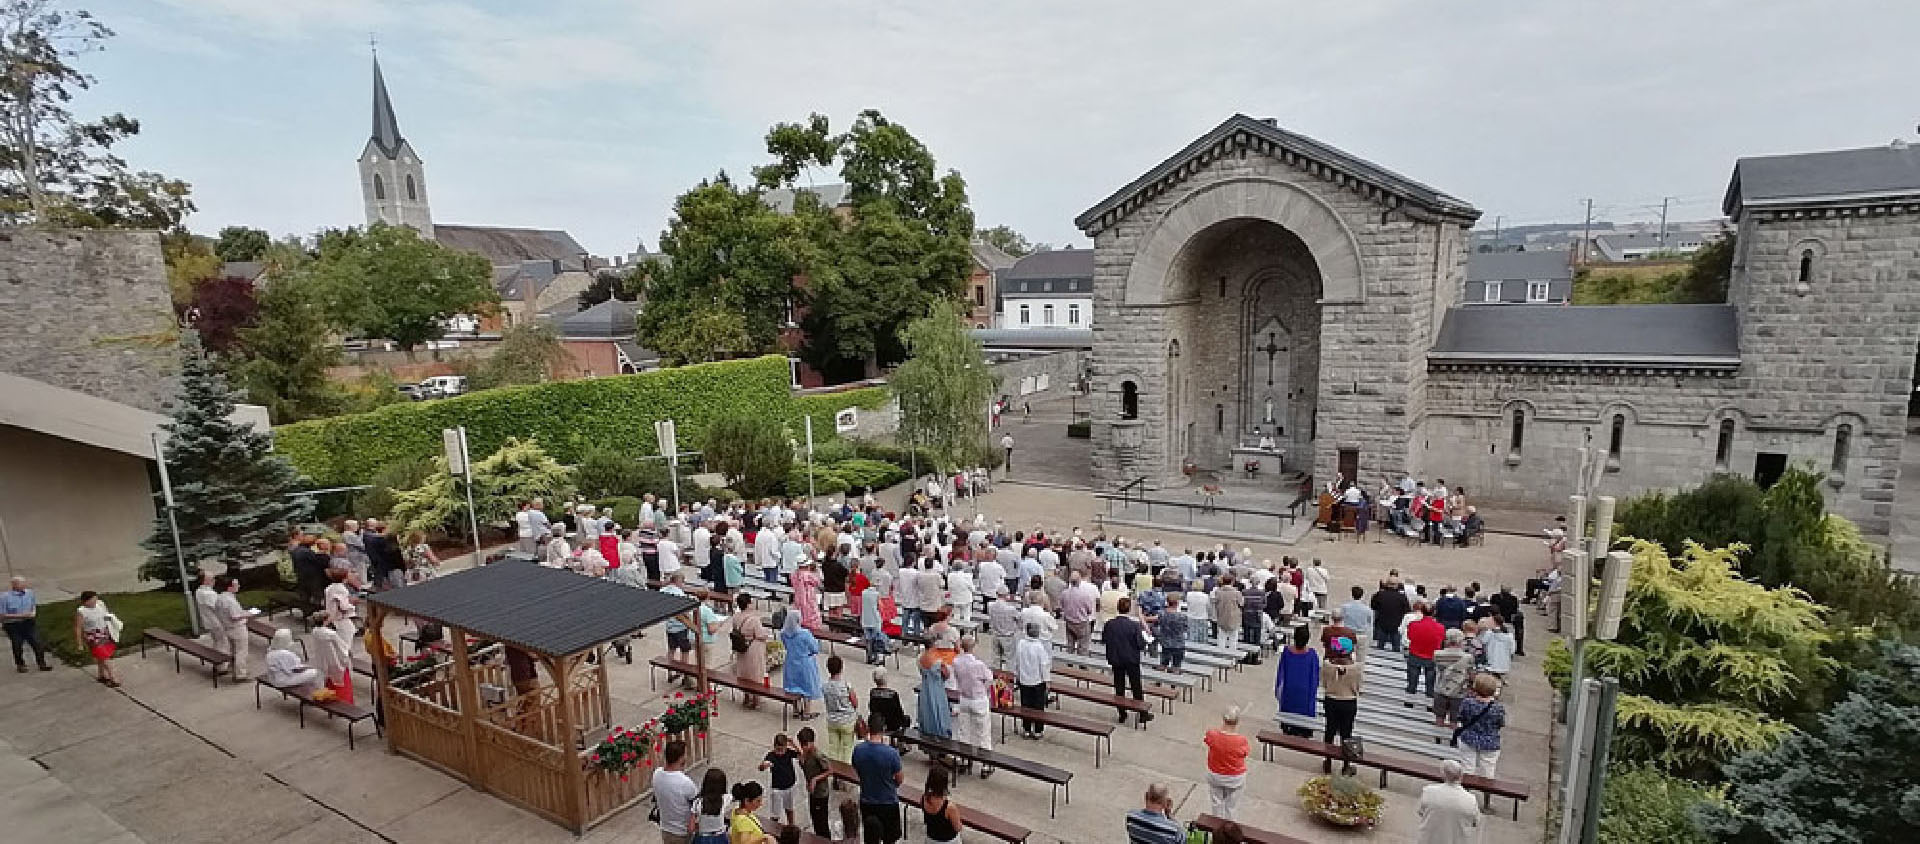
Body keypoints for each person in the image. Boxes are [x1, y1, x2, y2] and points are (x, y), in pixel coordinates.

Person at [852, 719, 905, 844]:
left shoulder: (858, 750)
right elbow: (900, 778)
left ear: (869, 729)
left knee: (871, 838)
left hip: (867, 800)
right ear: (884, 729)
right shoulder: (891, 754)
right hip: (887, 802)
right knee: (890, 839)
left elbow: (856, 768)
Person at [951, 634, 995, 777]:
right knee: (983, 733)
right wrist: (984, 690)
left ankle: (963, 759)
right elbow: (989, 679)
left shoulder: (956, 661)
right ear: (973, 647)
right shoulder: (978, 665)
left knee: (964, 731)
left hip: (964, 698)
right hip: (978, 699)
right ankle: (985, 765)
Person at [1104, 597, 1153, 725]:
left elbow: (1105, 639)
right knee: (1136, 686)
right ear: (1129, 609)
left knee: (1119, 687)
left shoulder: (1109, 624)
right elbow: (1140, 644)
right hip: (1131, 659)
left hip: (1116, 658)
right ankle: (1142, 713)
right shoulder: (1134, 625)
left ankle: (1122, 713)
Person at [1321, 636, 1361, 774]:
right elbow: (1359, 687)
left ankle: (1328, 761)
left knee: (1329, 730)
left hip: (1331, 699)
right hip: (1348, 701)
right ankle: (1346, 765)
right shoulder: (1356, 668)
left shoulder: (1327, 665)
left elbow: (1324, 684)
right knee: (1346, 733)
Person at [1417, 759, 1483, 844]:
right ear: (1461, 776)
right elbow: (1475, 821)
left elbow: (1421, 812)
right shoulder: (1471, 800)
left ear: (1443, 775)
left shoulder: (1429, 791)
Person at [1454, 673, 1506, 777]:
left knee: (1467, 767)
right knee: (1488, 770)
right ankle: (1487, 791)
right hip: (1490, 741)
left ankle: (1467, 788)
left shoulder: (1467, 703)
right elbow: (1500, 723)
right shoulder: (1498, 708)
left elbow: (1461, 717)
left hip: (1469, 738)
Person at [1203, 707, 1250, 820]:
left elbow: (1207, 740)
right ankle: (1229, 828)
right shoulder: (1241, 740)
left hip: (1215, 774)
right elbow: (1244, 753)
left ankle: (1216, 827)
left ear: (1223, 719)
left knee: (1216, 803)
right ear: (1237, 721)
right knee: (1231, 807)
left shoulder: (1212, 735)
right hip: (1235, 778)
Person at [1274, 625, 1320, 737]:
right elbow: (1315, 676)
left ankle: (1288, 726)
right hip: (1305, 693)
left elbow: (1281, 673)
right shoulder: (1312, 655)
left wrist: (1278, 691)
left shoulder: (1287, 652)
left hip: (1290, 691)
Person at [781, 607, 824, 719]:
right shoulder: (804, 634)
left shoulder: (784, 633)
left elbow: (786, 646)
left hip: (791, 661)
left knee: (793, 685)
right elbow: (815, 648)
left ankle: (795, 709)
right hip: (805, 662)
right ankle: (806, 711)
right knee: (807, 686)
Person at [2, 576, 52, 672]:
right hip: (13, 625)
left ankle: (42, 663)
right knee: (17, 644)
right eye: (21, 583)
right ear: (14, 585)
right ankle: (20, 664)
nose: (24, 585)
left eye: (24, 583)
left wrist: (33, 612)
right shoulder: (5, 597)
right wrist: (20, 615)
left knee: (37, 643)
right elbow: (2, 615)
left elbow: (33, 605)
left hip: (28, 622)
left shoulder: (29, 593)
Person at [654, 739, 699, 844]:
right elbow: (697, 804)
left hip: (666, 829)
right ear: (681, 758)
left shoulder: (657, 774)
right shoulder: (685, 783)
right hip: (682, 832)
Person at [72, 591, 120, 687]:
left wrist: (113, 625)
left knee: (101, 656)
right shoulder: (81, 611)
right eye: (93, 600)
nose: (95, 601)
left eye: (96, 599)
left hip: (104, 633)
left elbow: (106, 616)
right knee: (104, 656)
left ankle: (101, 675)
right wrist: (79, 643)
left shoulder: (100, 604)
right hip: (92, 636)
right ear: (86, 601)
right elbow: (78, 627)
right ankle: (114, 678)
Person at [1013, 622, 1051, 739]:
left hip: (1024, 679)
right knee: (1038, 706)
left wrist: (1017, 676)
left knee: (1026, 705)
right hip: (1037, 680)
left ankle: (1026, 728)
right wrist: (1047, 680)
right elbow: (1044, 665)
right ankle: (1038, 730)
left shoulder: (1021, 644)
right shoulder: (1039, 647)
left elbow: (1017, 662)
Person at [309, 610, 355, 703]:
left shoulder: (314, 632)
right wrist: (347, 653)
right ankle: (345, 701)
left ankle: (329, 696)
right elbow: (342, 647)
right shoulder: (331, 634)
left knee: (328, 679)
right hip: (335, 660)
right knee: (341, 679)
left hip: (322, 659)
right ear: (325, 620)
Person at [733, 593, 769, 709]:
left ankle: (746, 697)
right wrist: (766, 633)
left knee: (744, 673)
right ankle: (756, 700)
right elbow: (760, 634)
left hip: (741, 646)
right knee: (755, 673)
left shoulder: (736, 617)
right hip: (753, 648)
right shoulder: (754, 619)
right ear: (748, 604)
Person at [213, 575, 253, 680]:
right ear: (229, 587)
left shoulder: (219, 598)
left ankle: (232, 667)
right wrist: (248, 614)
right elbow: (235, 616)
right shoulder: (230, 601)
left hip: (227, 628)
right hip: (237, 628)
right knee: (241, 651)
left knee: (232, 649)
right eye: (236, 585)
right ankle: (240, 674)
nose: (239, 586)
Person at [758, 733, 801, 830]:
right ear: (774, 747)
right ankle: (773, 829)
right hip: (777, 789)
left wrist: (793, 743)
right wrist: (764, 765)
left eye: (782, 749)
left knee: (789, 809)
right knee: (775, 813)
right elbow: (761, 767)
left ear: (786, 747)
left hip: (790, 786)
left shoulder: (789, 752)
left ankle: (792, 827)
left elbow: (801, 754)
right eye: (778, 750)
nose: (780, 752)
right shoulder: (771, 756)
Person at [796, 728, 833, 838]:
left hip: (821, 793)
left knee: (822, 822)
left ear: (812, 742)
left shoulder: (818, 755)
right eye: (802, 744)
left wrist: (815, 779)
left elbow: (830, 770)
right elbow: (806, 770)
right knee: (815, 819)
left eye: (806, 744)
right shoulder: (805, 754)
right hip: (813, 792)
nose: (803, 747)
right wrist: (801, 763)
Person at [821, 654, 859, 764]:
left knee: (833, 748)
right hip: (847, 720)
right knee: (847, 748)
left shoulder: (825, 686)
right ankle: (844, 772)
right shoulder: (846, 685)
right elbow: (855, 702)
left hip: (832, 720)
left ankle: (834, 770)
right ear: (841, 668)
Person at [915, 638, 953, 740]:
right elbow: (946, 675)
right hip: (937, 689)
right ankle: (941, 735)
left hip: (925, 688)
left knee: (927, 712)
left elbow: (921, 672)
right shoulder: (938, 661)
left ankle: (928, 735)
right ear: (933, 646)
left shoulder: (920, 658)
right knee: (939, 712)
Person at [1406, 604, 1446, 695]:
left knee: (1412, 681)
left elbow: (1410, 637)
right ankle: (1429, 704)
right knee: (1430, 684)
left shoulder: (1413, 625)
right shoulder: (1440, 627)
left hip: (1415, 654)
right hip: (1431, 656)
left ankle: (1409, 702)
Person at [866, 669, 911, 743]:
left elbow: (871, 708)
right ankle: (901, 743)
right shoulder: (893, 694)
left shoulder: (873, 692)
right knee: (907, 719)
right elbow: (899, 711)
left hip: (878, 722)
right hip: (892, 724)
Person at [921, 767, 963, 844]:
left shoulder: (924, 798)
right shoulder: (949, 807)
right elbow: (958, 828)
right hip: (948, 841)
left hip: (931, 838)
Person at [692, 768, 731, 844]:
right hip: (720, 837)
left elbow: (691, 827)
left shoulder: (698, 802)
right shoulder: (725, 799)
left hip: (702, 838)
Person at [1371, 581, 1410, 652]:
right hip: (1396, 624)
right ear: (1396, 586)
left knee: (1380, 647)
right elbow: (1407, 610)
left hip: (1382, 623)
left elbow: (1373, 606)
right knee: (1396, 648)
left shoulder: (1380, 594)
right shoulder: (1402, 597)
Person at [1155, 592, 1189, 671]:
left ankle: (1159, 681)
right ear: (1177, 603)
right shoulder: (1182, 616)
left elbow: (1158, 623)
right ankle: (1174, 682)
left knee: (1163, 664)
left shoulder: (1162, 614)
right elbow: (1185, 628)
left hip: (1165, 643)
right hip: (1178, 644)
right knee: (1176, 666)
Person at [1478, 614, 1516, 679]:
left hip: (1491, 663)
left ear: (1494, 623)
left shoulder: (1489, 633)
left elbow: (1482, 642)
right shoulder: (1509, 636)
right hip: (1504, 665)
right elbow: (1512, 650)